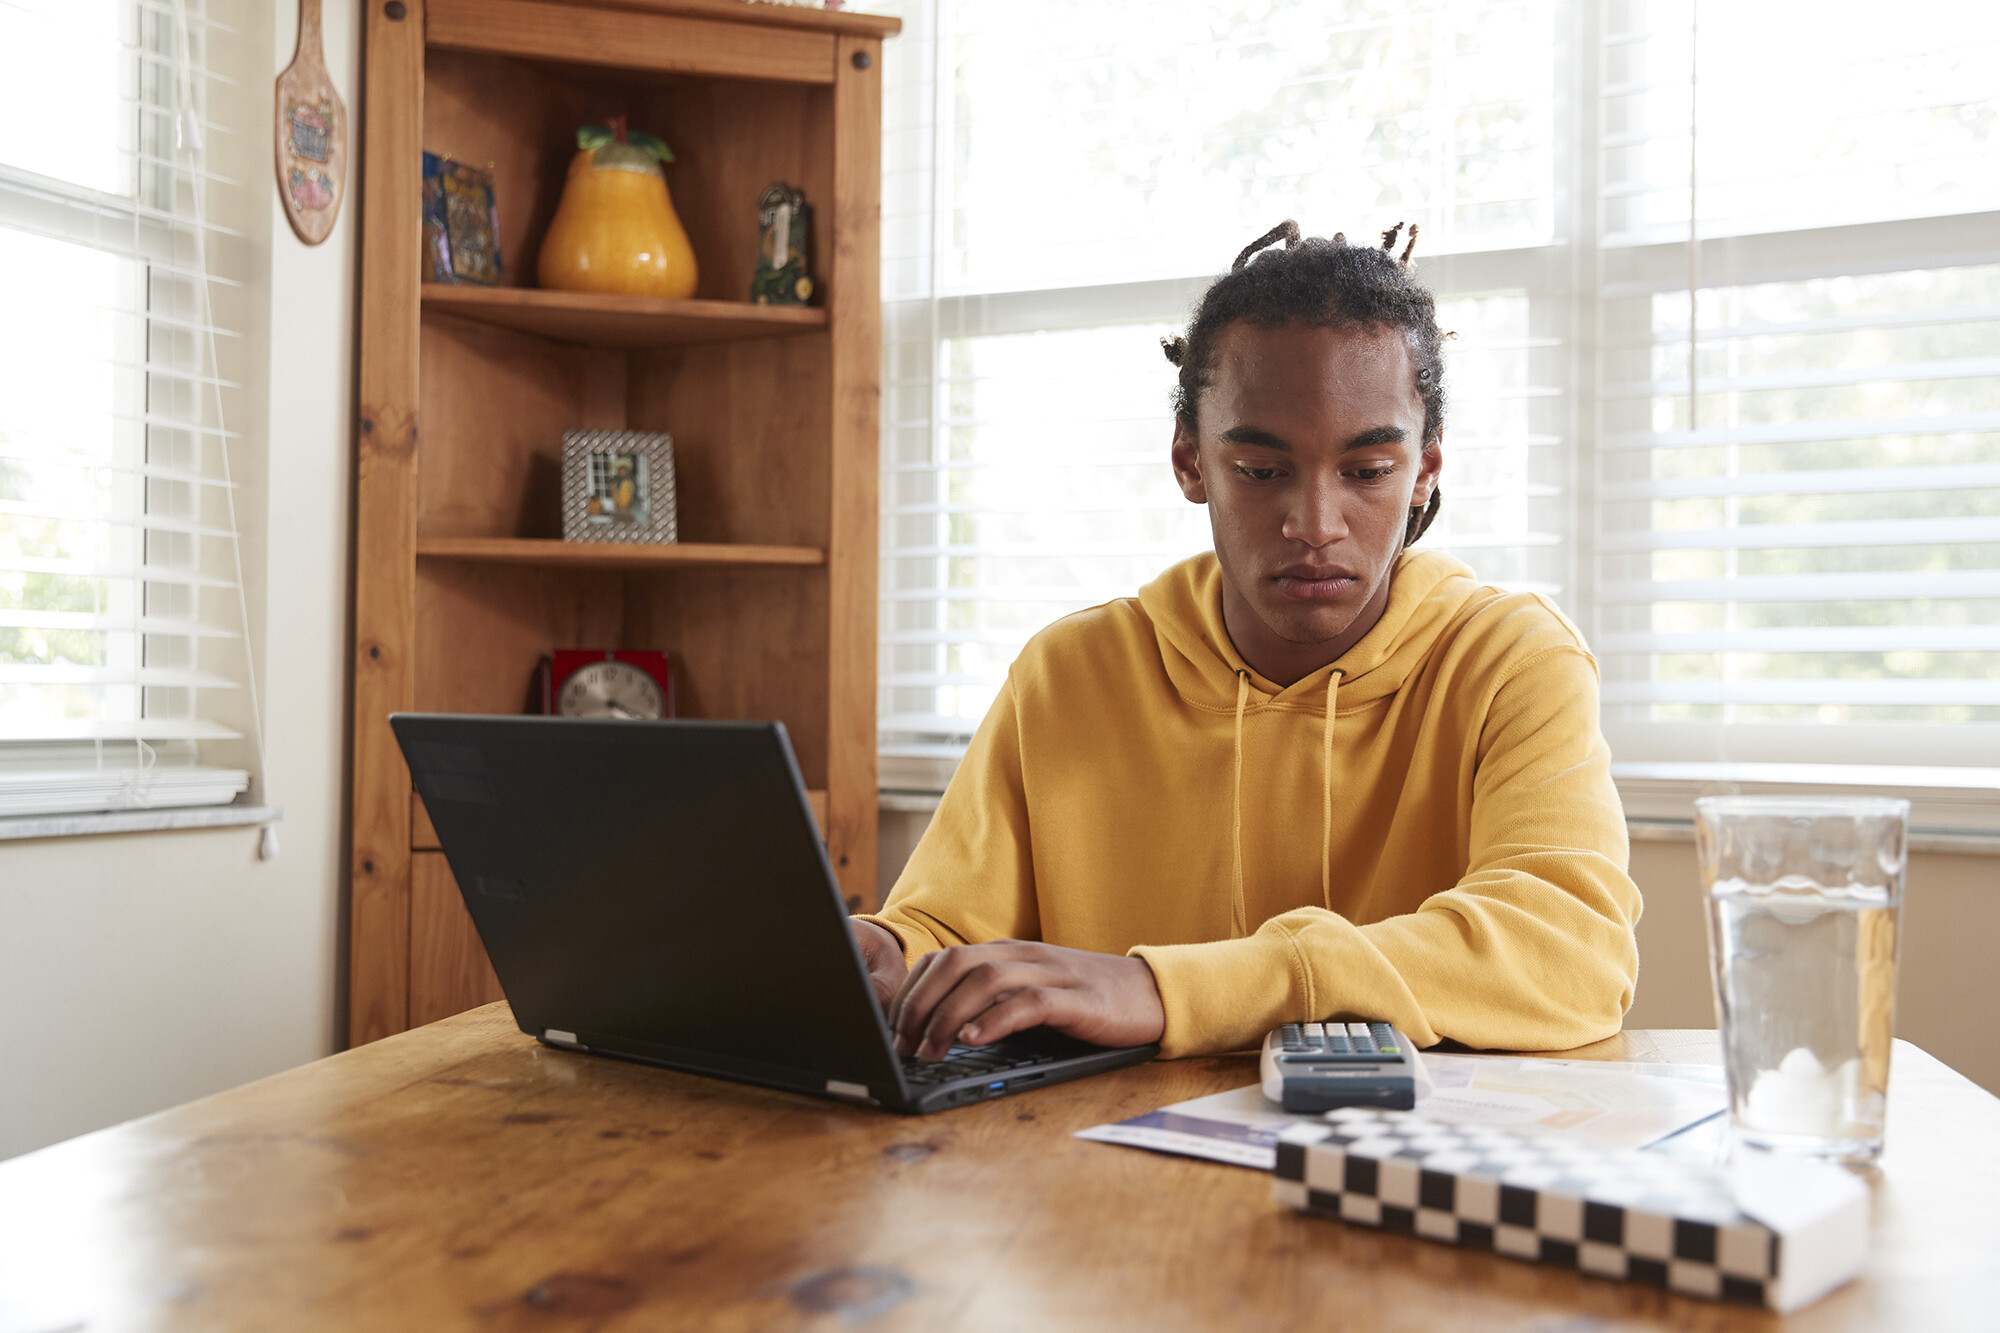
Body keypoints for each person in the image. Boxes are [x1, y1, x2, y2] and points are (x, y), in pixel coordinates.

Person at [852, 220, 1640, 1064]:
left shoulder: (1512, 662)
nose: (1315, 524)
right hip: (1108, 1173)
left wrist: (1162, 990)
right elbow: (943, 928)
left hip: (1397, 1171)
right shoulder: (1068, 674)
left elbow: (1570, 949)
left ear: (1425, 470)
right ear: (1190, 462)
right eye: (1262, 472)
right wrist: (886, 957)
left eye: (1368, 470)